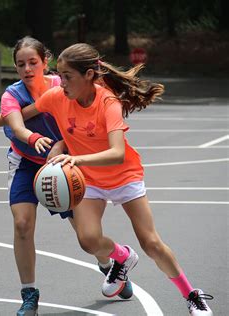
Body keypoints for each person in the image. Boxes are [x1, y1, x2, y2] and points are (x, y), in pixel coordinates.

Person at [12, 43, 213, 315]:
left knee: (151, 243)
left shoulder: (108, 102)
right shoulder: (57, 96)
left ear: (89, 76)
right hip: (90, 180)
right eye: (59, 75)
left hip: (124, 176)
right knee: (88, 240)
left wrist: (76, 159)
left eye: (67, 76)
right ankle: (123, 257)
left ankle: (191, 294)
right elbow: (16, 116)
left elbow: (117, 153)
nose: (61, 82)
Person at [0, 37, 132, 316]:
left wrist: (59, 145)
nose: (27, 68)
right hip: (25, 161)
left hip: (63, 162)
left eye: (33, 62)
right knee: (22, 224)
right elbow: (15, 122)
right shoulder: (12, 94)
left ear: (46, 62)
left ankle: (110, 267)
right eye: (20, 64)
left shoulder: (64, 85)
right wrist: (27, 137)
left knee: (85, 233)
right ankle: (29, 294)